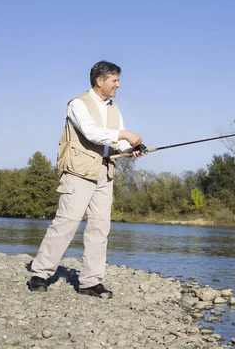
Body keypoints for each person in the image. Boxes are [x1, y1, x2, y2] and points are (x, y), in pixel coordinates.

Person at [27, 60, 146, 298]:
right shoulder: (77, 105)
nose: (119, 85)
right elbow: (91, 132)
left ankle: (90, 282)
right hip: (79, 172)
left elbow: (117, 142)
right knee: (66, 223)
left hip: (106, 171)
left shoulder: (114, 108)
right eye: (115, 80)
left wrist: (132, 147)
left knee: (100, 228)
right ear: (99, 81)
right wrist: (124, 134)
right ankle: (40, 273)